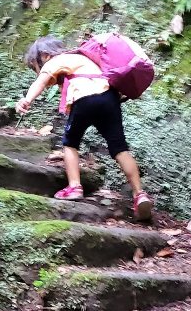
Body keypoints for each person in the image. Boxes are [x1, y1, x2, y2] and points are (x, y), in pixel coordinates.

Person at [16, 35, 154, 220]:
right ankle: (139, 194)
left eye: (36, 66)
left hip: (85, 99)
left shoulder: (56, 60)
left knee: (70, 143)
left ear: (45, 55)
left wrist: (26, 100)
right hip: (109, 99)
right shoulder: (84, 58)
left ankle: (74, 186)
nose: (37, 70)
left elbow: (40, 82)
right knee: (120, 148)